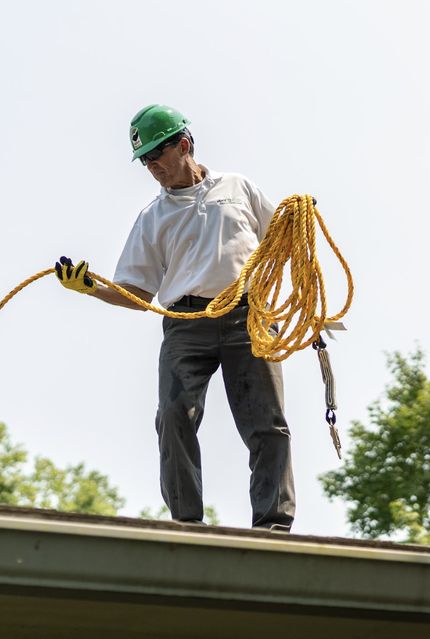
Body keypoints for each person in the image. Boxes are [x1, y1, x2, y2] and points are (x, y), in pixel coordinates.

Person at [54, 104, 294, 531]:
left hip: (248, 317)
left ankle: (273, 524)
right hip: (186, 324)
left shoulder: (237, 188)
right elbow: (138, 293)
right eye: (144, 160)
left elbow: (282, 239)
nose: (151, 167)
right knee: (172, 415)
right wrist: (90, 287)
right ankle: (186, 522)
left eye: (155, 155)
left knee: (267, 422)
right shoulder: (153, 218)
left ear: (183, 145)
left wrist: (300, 220)